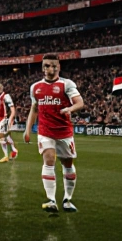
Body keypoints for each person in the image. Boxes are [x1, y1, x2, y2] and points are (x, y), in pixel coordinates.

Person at [23, 54, 85, 214]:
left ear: (59, 67)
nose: (49, 68)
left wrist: (69, 109)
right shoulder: (35, 87)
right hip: (45, 131)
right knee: (49, 160)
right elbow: (34, 109)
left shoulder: (66, 84)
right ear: (43, 68)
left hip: (64, 132)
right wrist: (27, 129)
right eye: (46, 66)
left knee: (67, 164)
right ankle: (51, 200)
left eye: (53, 65)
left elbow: (80, 102)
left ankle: (67, 199)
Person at [0, 79, 18, 163]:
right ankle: (14, 151)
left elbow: (12, 109)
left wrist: (10, 120)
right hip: (1, 119)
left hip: (5, 119)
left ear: (0, 89)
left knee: (1, 137)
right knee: (7, 137)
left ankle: (6, 156)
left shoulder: (6, 96)